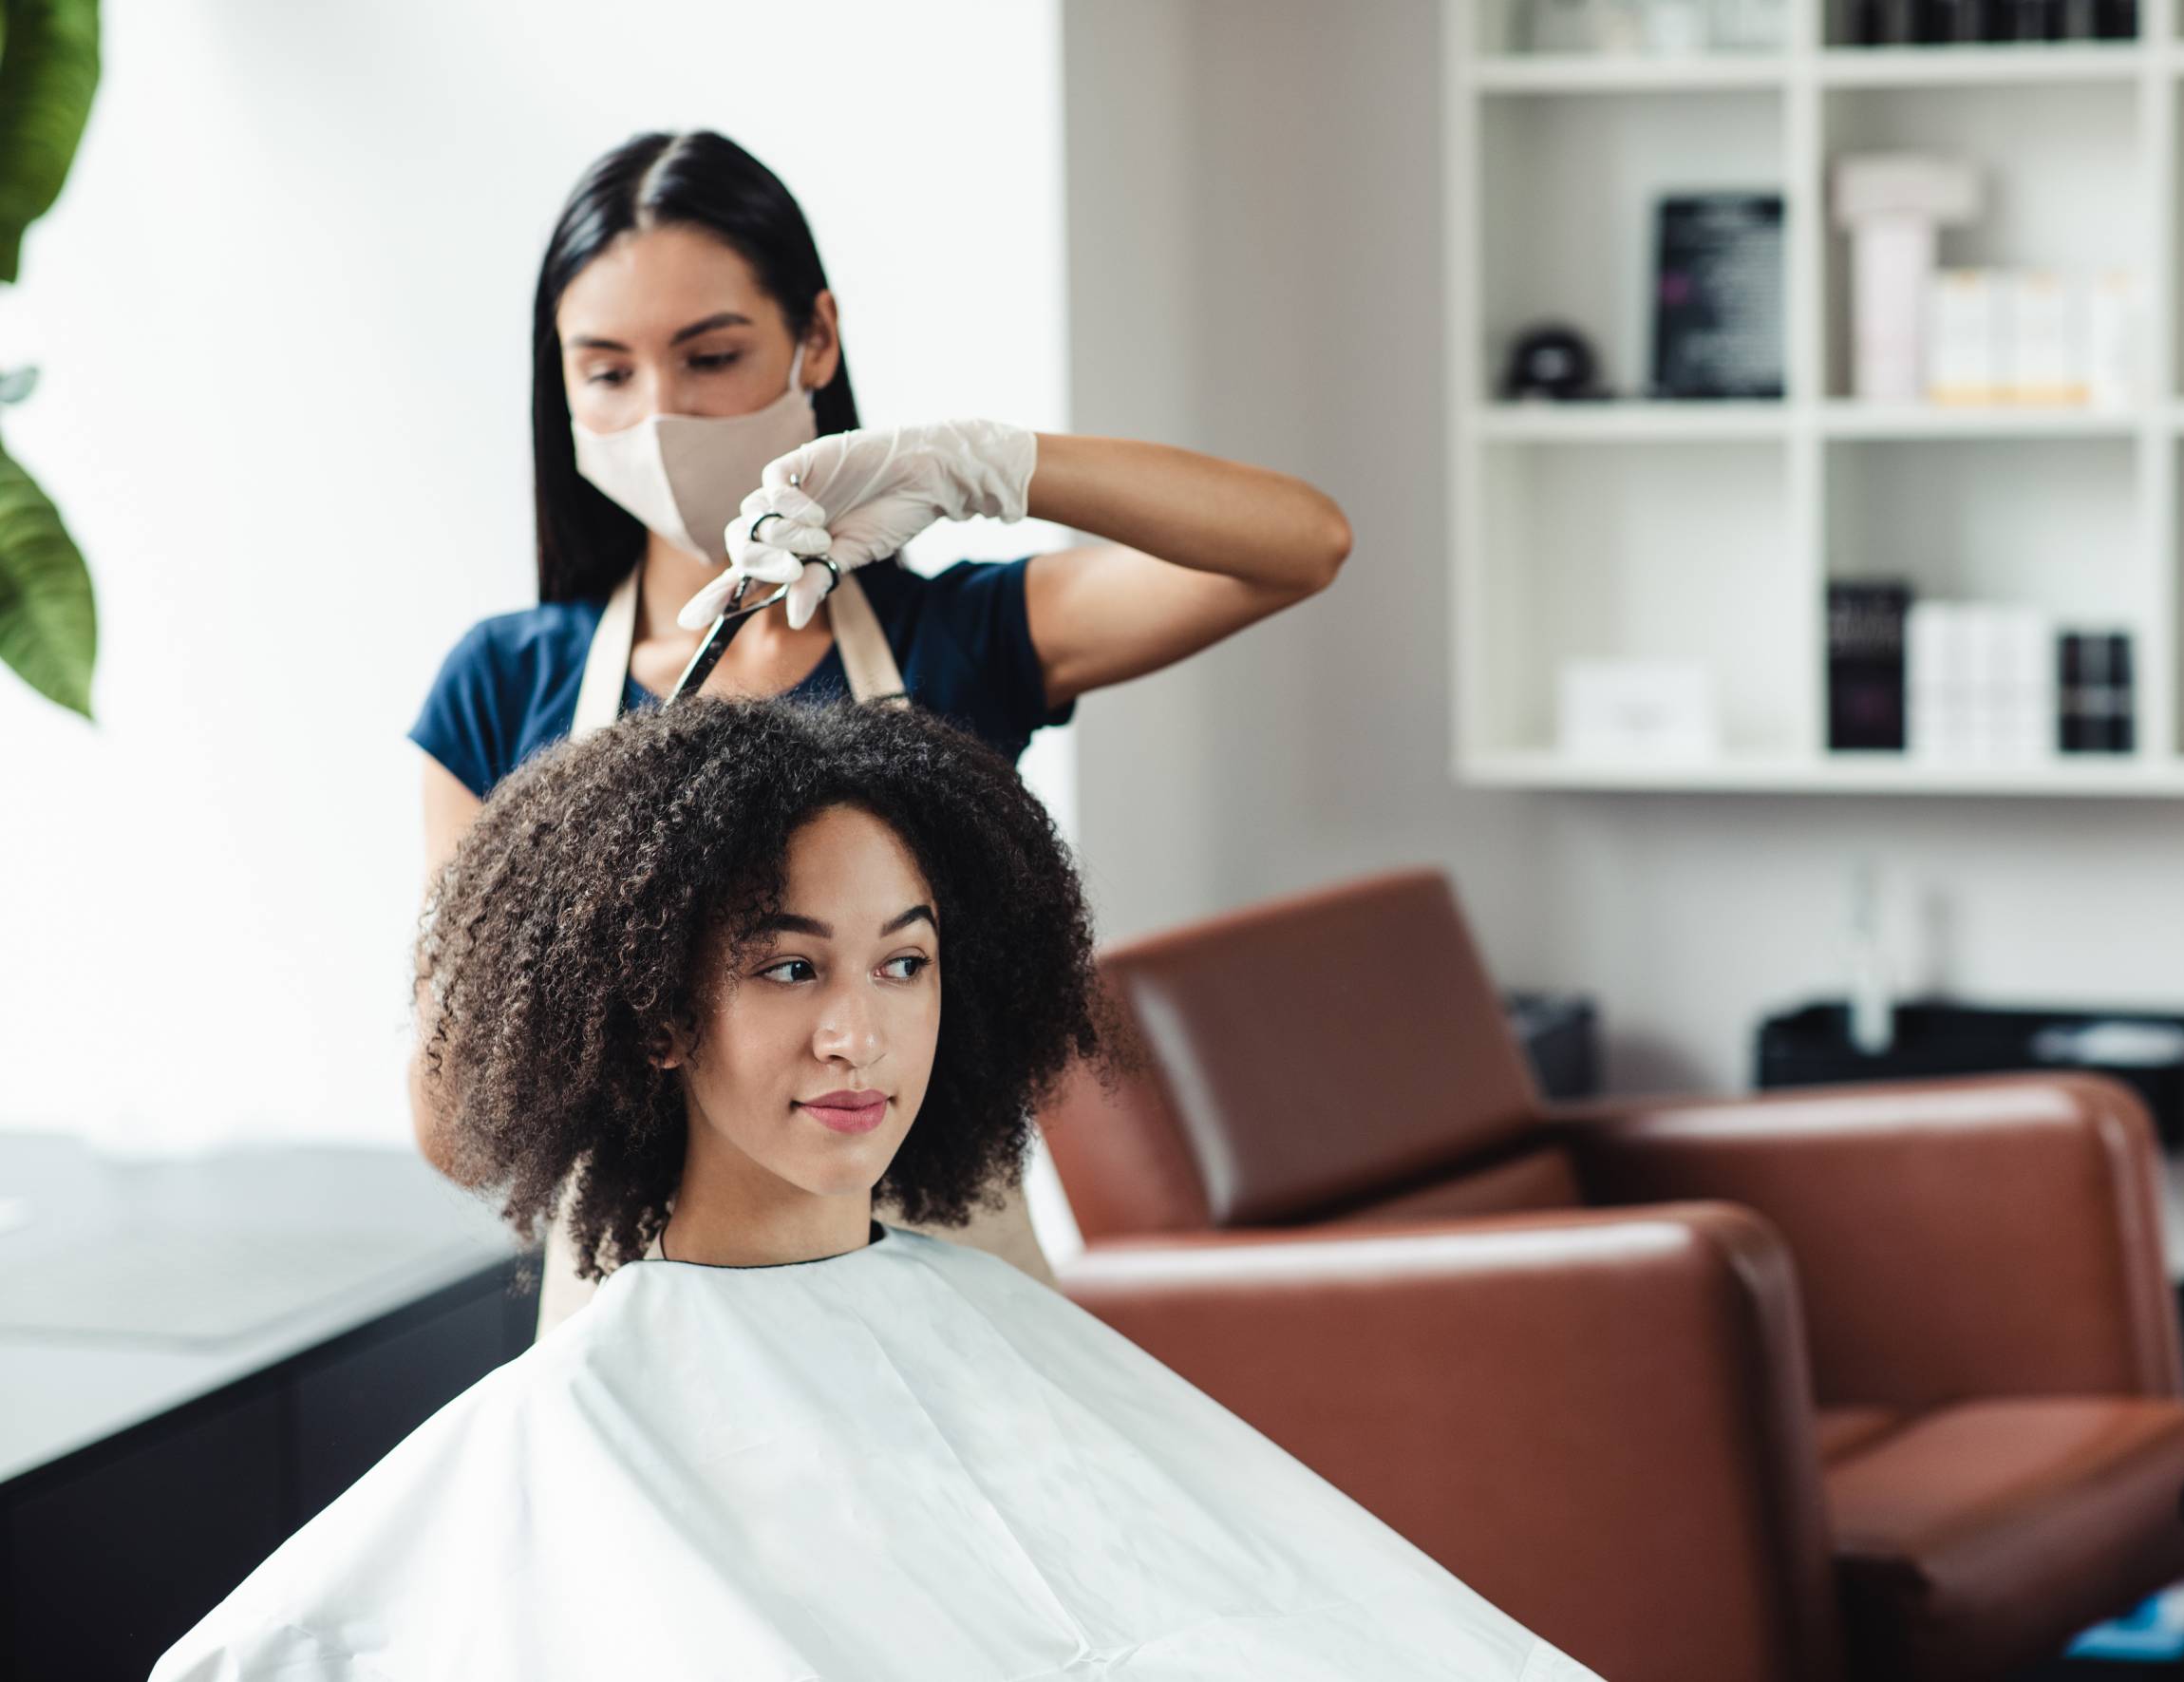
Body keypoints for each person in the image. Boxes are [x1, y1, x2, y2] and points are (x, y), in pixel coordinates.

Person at [154, 699, 1596, 1682]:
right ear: (656, 1012)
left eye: (903, 962)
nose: (860, 1030)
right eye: (790, 966)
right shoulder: (587, 1417)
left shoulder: (992, 1329)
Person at [407, 130, 1351, 1313]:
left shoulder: (955, 638)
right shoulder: (504, 687)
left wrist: (992, 467)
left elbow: (1299, 546)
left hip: (944, 1298)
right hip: (647, 1319)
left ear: (815, 337)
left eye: (709, 356)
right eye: (606, 372)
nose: (660, 413)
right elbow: (456, 1127)